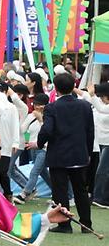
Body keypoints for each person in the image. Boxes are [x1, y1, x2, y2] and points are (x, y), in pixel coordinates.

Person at [38, 73, 94, 233]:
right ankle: (86, 224)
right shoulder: (85, 106)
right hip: (79, 154)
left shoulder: (52, 107)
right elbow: (90, 131)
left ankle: (64, 224)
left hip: (59, 155)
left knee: (60, 190)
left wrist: (40, 143)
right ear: (73, 87)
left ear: (56, 88)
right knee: (81, 190)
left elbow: (47, 130)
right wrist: (88, 151)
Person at [11, 94, 51, 204]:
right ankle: (58, 192)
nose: (38, 107)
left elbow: (47, 131)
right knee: (43, 173)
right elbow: (23, 129)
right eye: (36, 104)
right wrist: (31, 117)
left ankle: (24, 194)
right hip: (32, 148)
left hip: (44, 148)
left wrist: (40, 119)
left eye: (40, 105)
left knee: (35, 172)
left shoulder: (50, 116)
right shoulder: (31, 115)